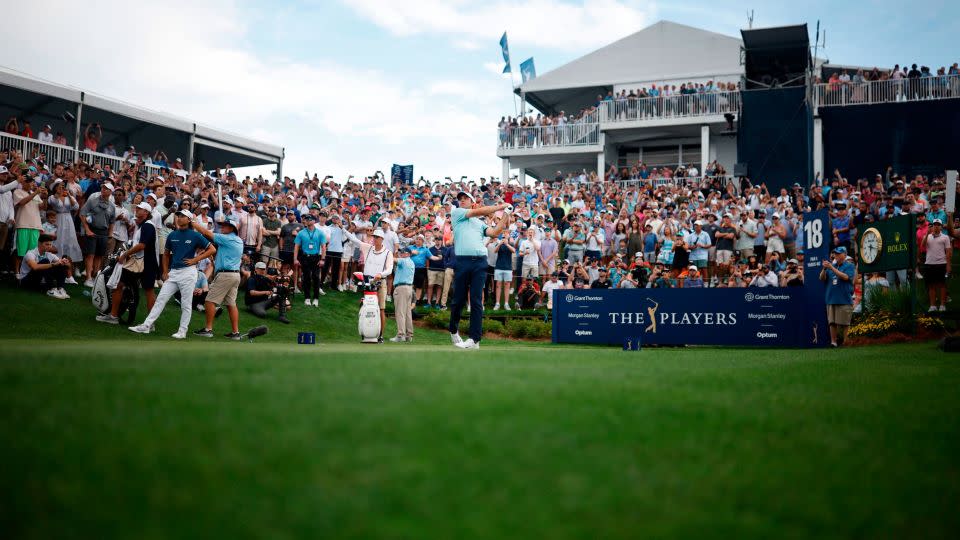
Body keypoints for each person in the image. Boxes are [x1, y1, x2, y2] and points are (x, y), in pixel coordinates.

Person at [129, 209, 216, 339]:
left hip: (188, 273)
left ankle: (182, 331)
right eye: (178, 215)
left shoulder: (195, 235)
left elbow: (212, 249)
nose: (179, 218)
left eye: (182, 216)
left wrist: (195, 260)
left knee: (186, 304)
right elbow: (165, 255)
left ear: (188, 220)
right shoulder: (172, 235)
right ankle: (146, 326)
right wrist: (165, 271)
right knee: (160, 300)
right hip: (173, 273)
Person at [448, 192, 510, 350]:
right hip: (462, 261)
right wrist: (501, 206)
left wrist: (506, 215)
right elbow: (479, 212)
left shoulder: (479, 223)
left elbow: (495, 233)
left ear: (472, 202)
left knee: (476, 301)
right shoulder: (457, 213)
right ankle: (453, 330)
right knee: (458, 300)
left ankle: (474, 339)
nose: (461, 201)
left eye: (465, 199)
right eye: (460, 199)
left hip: (480, 262)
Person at [96, 202, 159, 324]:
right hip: (143, 263)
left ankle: (149, 323)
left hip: (145, 263)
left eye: (140, 209)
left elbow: (141, 245)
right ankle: (114, 316)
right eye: (137, 208)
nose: (137, 210)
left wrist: (125, 254)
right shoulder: (143, 226)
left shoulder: (148, 226)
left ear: (146, 212)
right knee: (122, 286)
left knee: (147, 291)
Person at [191, 216, 244, 339]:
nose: (221, 227)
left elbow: (205, 232)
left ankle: (208, 329)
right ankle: (235, 333)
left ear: (231, 228)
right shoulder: (238, 240)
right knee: (231, 303)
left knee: (209, 301)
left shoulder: (227, 239)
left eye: (224, 226)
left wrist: (193, 223)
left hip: (226, 275)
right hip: (235, 275)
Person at [342, 227, 394, 343]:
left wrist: (381, 274)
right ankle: (366, 331)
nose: (374, 239)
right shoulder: (368, 248)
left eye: (376, 237)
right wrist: (343, 229)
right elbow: (355, 240)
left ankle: (380, 335)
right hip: (367, 282)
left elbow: (389, 269)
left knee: (380, 309)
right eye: (374, 237)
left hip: (380, 282)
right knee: (365, 306)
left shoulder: (387, 253)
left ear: (381, 239)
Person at [80, 182, 117, 286]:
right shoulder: (92, 200)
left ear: (110, 192)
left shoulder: (112, 206)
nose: (103, 190)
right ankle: (88, 278)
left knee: (99, 256)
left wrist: (110, 234)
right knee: (90, 255)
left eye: (106, 189)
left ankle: (95, 277)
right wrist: (87, 229)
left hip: (104, 233)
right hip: (92, 230)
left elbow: (112, 221)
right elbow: (82, 214)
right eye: (103, 188)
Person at [820, 246, 856, 347]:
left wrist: (831, 268)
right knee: (832, 322)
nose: (836, 255)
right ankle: (833, 342)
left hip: (844, 298)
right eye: (835, 253)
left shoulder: (849, 266)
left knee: (844, 323)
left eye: (838, 253)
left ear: (844, 255)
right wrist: (824, 269)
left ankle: (845, 342)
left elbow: (845, 277)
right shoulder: (832, 266)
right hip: (831, 298)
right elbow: (822, 278)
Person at [19, 234, 70, 299]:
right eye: (47, 244)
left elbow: (68, 266)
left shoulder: (49, 254)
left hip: (39, 281)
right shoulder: (30, 253)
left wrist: (64, 262)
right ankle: (51, 290)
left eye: (50, 244)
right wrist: (53, 264)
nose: (49, 247)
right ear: (39, 243)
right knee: (45, 261)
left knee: (60, 264)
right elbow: (35, 267)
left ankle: (60, 289)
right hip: (26, 281)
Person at [293, 213, 327, 305]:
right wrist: (295, 259)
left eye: (309, 219)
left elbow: (324, 247)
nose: (307, 221)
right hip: (305, 257)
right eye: (306, 219)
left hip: (316, 257)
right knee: (306, 277)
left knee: (316, 278)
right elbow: (296, 247)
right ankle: (307, 297)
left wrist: (322, 259)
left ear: (314, 221)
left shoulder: (320, 233)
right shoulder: (301, 233)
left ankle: (316, 298)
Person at [920, 218, 952, 312]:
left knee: (942, 285)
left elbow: (948, 252)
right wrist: (927, 233)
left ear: (941, 227)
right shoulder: (928, 236)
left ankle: (942, 305)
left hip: (941, 263)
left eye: (938, 225)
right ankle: (932, 305)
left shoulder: (945, 237)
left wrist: (948, 265)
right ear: (932, 226)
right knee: (931, 285)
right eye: (935, 224)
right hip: (929, 264)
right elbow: (922, 246)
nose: (936, 226)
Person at [390, 246, 415, 342]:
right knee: (408, 313)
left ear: (408, 254)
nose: (401, 254)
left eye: (403, 252)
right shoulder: (411, 262)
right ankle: (409, 336)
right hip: (409, 288)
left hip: (401, 288)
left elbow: (393, 260)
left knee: (400, 312)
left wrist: (386, 254)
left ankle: (400, 335)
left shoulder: (404, 261)